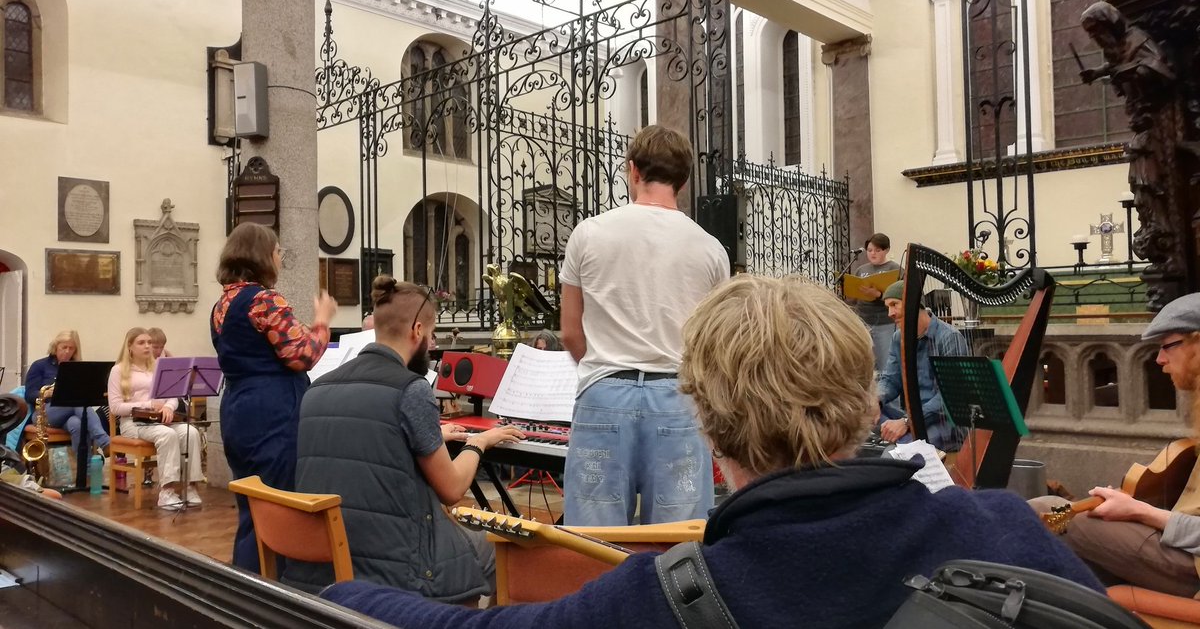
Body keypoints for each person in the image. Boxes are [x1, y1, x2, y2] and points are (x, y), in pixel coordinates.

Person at [318, 275, 1100, 628]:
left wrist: (338, 595)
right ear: (866, 401)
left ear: (706, 427)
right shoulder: (1007, 528)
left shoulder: (663, 594)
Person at [285, 276, 524, 599]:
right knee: (505, 544)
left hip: (320, 564)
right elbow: (452, 489)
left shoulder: (318, 389)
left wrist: (429, 435)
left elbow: (366, 440)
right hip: (399, 571)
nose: (433, 341)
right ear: (417, 331)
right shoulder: (411, 389)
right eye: (433, 333)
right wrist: (478, 443)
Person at [559, 124, 729, 526]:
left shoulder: (589, 234)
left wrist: (604, 367)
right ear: (684, 181)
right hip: (678, 396)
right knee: (677, 541)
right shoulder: (710, 248)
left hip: (604, 392)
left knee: (591, 541)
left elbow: (569, 332)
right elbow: (716, 344)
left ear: (632, 170)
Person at [1031, 292, 1200, 597]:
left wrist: (1140, 512)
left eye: (1167, 346)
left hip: (1191, 567)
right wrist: (1136, 506)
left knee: (1061, 518)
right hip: (1180, 544)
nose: (1159, 359)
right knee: (1046, 515)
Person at [210, 222, 337, 572]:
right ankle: (274, 592)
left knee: (253, 506)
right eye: (278, 251)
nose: (280, 258)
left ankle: (246, 584)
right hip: (273, 410)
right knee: (280, 504)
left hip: (238, 407)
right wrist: (322, 321)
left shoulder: (223, 303)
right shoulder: (264, 299)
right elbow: (303, 353)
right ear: (263, 255)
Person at [107, 327, 202, 509]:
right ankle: (167, 492)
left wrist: (168, 406)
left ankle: (190, 487)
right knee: (167, 435)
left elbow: (173, 396)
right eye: (141, 343)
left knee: (190, 432)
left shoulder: (159, 367)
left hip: (160, 421)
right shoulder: (118, 371)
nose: (147, 346)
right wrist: (148, 405)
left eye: (149, 342)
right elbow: (115, 407)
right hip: (133, 423)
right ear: (129, 346)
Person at [876, 279, 968, 452]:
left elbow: (949, 397)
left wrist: (906, 422)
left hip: (943, 422)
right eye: (887, 307)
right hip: (910, 415)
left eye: (894, 304)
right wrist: (876, 400)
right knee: (863, 416)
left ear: (913, 304)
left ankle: (903, 442)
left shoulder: (949, 338)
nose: (890, 313)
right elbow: (890, 379)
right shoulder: (899, 337)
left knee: (901, 451)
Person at [24, 330, 110, 458]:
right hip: (44, 413)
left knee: (77, 424)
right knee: (77, 401)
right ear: (56, 346)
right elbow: (29, 394)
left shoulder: (76, 367)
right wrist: (46, 393)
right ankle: (104, 441)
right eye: (64, 347)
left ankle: (83, 471)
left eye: (71, 349)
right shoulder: (40, 365)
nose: (67, 351)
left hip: (70, 412)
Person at [853, 233, 902, 372]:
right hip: (862, 322)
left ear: (886, 250)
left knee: (886, 364)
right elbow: (853, 297)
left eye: (877, 250)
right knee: (865, 365)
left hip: (885, 323)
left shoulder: (894, 269)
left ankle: (887, 393)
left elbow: (900, 296)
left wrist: (879, 295)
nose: (872, 253)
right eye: (869, 250)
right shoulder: (861, 270)